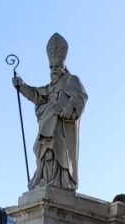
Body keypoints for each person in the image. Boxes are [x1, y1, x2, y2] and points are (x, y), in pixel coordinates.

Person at [12, 33, 87, 191]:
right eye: (51, 67)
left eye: (57, 67)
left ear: (63, 66)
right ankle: (45, 178)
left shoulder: (71, 80)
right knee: (45, 150)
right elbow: (36, 95)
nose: (53, 70)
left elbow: (81, 97)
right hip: (48, 127)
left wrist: (70, 106)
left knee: (57, 150)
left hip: (62, 130)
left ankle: (60, 180)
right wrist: (21, 86)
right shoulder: (50, 87)